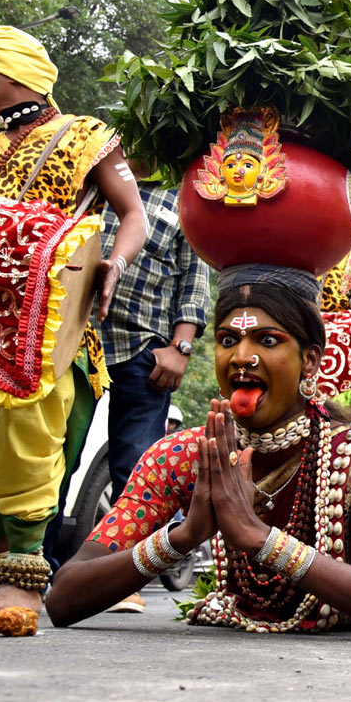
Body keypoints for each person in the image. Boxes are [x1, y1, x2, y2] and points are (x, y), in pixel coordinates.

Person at [46, 268, 351, 638]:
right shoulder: (183, 457)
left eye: (267, 340)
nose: (241, 357)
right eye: (228, 340)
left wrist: (260, 538)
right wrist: (182, 538)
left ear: (310, 361)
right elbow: (64, 598)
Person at [0, 25, 147, 614]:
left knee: (22, 453)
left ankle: (22, 584)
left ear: (16, 73)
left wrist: (115, 265)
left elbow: (133, 216)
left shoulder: (85, 137)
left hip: (47, 335)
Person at [99, 174, 210, 519]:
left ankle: (124, 570)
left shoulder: (185, 200)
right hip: (76, 341)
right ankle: (48, 568)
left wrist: (181, 349)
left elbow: (194, 281)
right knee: (59, 459)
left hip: (142, 349)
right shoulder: (97, 180)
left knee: (135, 472)